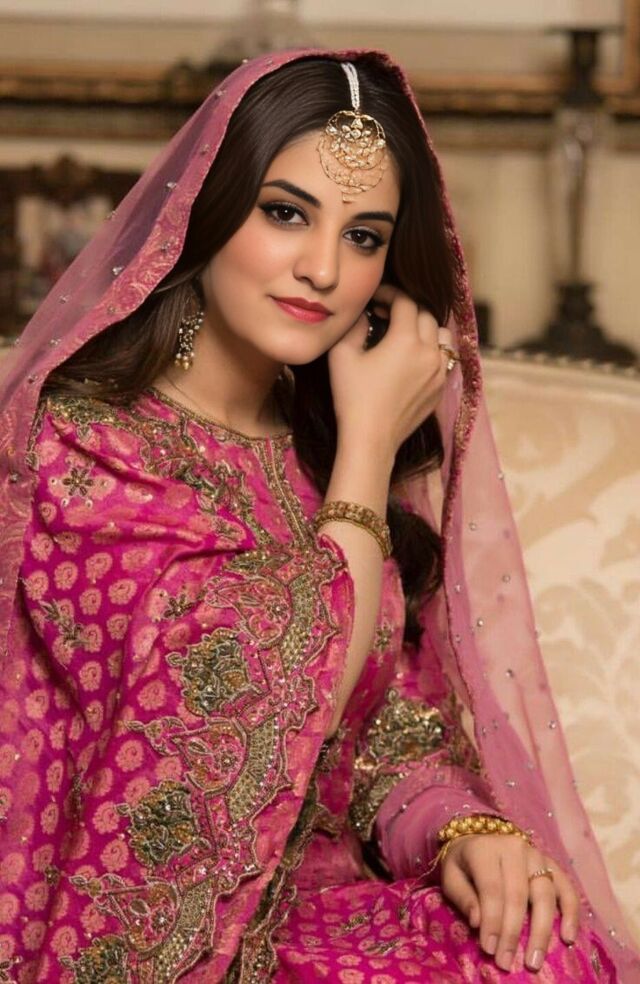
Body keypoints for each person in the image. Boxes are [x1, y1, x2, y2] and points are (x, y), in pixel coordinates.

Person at [0, 48, 636, 984]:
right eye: (286, 213)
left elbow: (387, 733)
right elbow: (237, 705)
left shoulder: (317, 445)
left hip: (326, 910)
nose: (324, 269)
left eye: (365, 235)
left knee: (545, 948)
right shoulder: (81, 450)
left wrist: (461, 831)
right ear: (208, 210)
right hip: (163, 939)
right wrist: (370, 445)